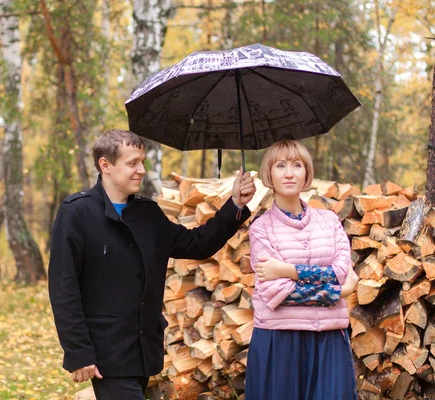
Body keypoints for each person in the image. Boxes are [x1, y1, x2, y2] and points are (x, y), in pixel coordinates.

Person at [48, 128, 256, 400]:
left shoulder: (148, 213)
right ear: (105, 165)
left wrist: (235, 205)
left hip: (144, 347)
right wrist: (78, 352)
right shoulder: (77, 212)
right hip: (105, 350)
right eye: (132, 163)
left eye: (142, 162)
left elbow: (197, 244)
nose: (141, 170)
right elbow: (64, 288)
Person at [245, 140, 359, 399]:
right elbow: (279, 292)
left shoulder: (329, 220)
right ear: (269, 174)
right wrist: (339, 294)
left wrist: (287, 270)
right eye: (281, 165)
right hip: (279, 339)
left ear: (306, 173)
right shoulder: (261, 229)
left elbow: (341, 271)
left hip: (329, 338)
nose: (289, 173)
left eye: (297, 165)